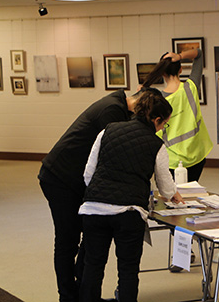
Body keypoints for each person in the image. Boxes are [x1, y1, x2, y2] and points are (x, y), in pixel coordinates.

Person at [38, 89, 143, 302]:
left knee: (91, 233)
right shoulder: (112, 110)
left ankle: (84, 295)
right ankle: (68, 297)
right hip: (60, 178)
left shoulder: (118, 106)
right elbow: (112, 155)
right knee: (68, 241)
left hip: (79, 180)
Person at [78, 89, 183, 302]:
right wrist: (175, 195)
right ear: (156, 119)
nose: (163, 128)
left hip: (94, 210)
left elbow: (88, 173)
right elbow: (165, 186)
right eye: (164, 124)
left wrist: (101, 194)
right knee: (127, 269)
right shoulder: (156, 145)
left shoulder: (107, 131)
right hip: (128, 214)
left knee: (93, 265)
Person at [142, 48, 213, 182]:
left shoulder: (157, 99)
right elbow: (199, 54)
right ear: (180, 70)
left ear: (162, 73)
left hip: (172, 160)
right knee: (191, 193)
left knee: (173, 197)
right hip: (196, 154)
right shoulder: (191, 87)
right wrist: (180, 56)